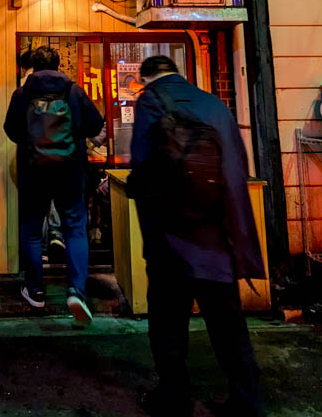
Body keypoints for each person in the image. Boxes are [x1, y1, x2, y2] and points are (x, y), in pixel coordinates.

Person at [127, 55, 265, 417]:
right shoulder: (214, 103)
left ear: (146, 78)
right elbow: (236, 167)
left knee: (168, 327)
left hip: (170, 238)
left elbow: (142, 167)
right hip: (215, 238)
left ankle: (173, 399)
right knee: (229, 328)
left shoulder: (151, 101)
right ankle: (246, 402)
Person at [4, 46, 105, 324]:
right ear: (59, 65)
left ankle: (35, 290)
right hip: (70, 173)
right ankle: (77, 292)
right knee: (74, 229)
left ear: (32, 67)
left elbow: (11, 131)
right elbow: (96, 127)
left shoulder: (22, 94)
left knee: (32, 231)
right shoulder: (74, 91)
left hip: (33, 173)